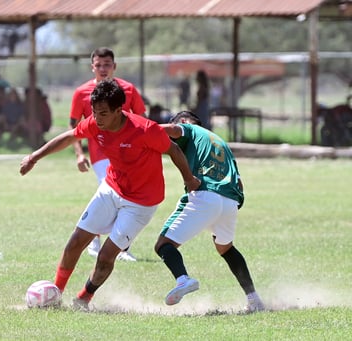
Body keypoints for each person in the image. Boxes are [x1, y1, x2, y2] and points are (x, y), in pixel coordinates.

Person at [20, 80, 200, 310]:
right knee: (75, 242)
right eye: (94, 112)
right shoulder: (96, 124)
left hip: (141, 203)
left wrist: (189, 179)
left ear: (119, 110)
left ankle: (83, 299)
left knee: (105, 257)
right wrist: (34, 157)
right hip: (112, 188)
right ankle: (54, 294)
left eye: (103, 113)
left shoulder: (145, 130)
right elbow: (70, 136)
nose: (98, 118)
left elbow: (173, 150)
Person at [154, 110, 265, 313]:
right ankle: (254, 299)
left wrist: (139, 129)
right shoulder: (220, 142)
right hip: (230, 201)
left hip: (206, 195)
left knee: (164, 245)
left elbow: (170, 129)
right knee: (226, 248)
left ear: (185, 122)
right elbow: (238, 181)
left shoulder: (190, 128)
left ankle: (183, 279)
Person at [70, 47, 146, 261]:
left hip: (129, 154)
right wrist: (79, 154)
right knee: (116, 194)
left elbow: (142, 121)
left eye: (107, 64)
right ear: (92, 67)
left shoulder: (129, 89)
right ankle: (121, 249)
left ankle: (95, 240)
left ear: (114, 66)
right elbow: (74, 127)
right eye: (99, 65)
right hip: (101, 154)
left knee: (118, 196)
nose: (103, 69)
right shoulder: (81, 93)